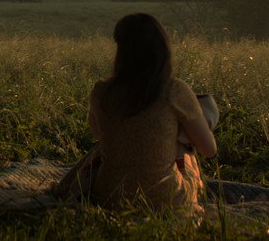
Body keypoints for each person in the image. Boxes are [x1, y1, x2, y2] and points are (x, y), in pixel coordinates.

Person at [84, 13, 217, 212]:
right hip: (166, 201)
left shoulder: (102, 91)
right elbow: (209, 150)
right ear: (163, 49)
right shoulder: (174, 90)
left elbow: (98, 135)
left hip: (109, 198)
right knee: (183, 148)